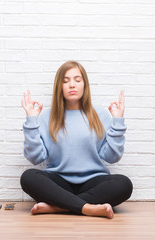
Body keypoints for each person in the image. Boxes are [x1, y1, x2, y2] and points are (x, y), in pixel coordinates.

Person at [20, 60, 133, 219]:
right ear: (59, 86)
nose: (72, 85)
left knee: (124, 184)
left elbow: (112, 157)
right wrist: (31, 121)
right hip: (58, 182)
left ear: (84, 85)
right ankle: (88, 208)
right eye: (66, 81)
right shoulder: (46, 116)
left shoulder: (100, 115)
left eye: (77, 80)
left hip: (93, 181)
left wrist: (118, 123)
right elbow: (36, 158)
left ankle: (59, 207)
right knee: (28, 177)